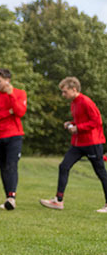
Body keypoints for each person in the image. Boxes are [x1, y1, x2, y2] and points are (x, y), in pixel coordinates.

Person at [39, 77, 107, 212]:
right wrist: (71, 123)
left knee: (101, 173)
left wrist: (78, 128)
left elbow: (97, 121)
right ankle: (58, 201)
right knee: (64, 166)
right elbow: (82, 120)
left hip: (92, 143)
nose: (63, 95)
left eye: (65, 92)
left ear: (74, 89)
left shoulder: (86, 102)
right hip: (78, 144)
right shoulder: (73, 103)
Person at [0, 67, 27, 210]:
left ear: (7, 81)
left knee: (11, 165)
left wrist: (11, 96)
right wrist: (8, 112)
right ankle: (8, 198)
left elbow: (20, 112)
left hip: (14, 136)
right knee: (3, 168)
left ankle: (11, 197)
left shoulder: (20, 94)